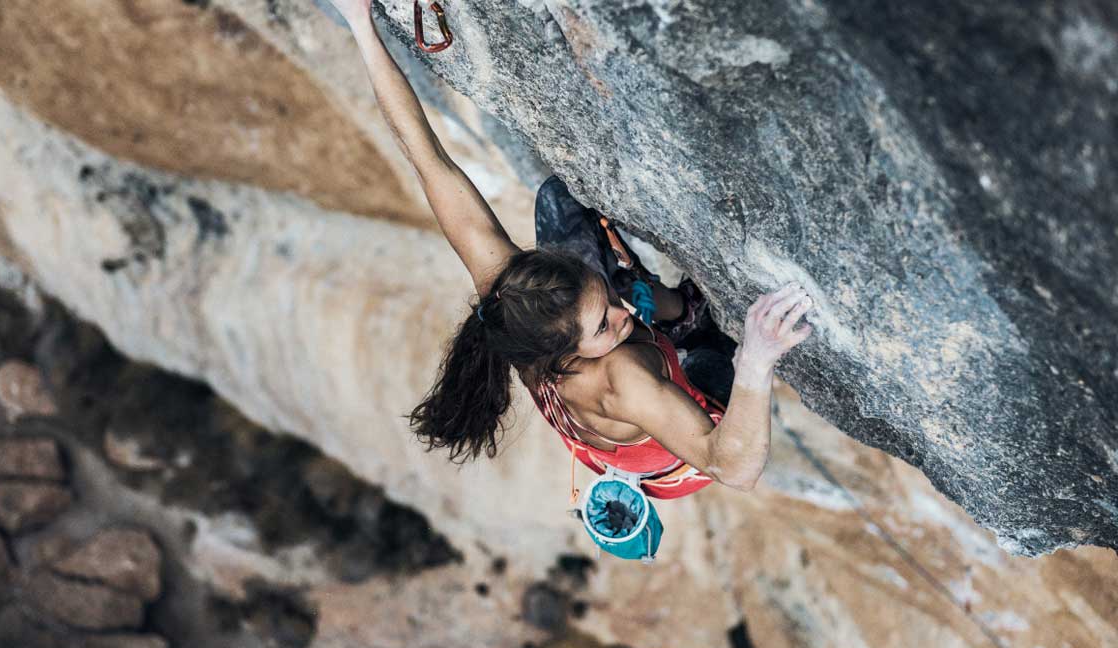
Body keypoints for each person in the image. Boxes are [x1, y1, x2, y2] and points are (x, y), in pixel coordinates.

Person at [331, 0, 814, 498]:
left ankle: (656, 300)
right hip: (681, 449)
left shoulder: (510, 304)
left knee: (558, 202)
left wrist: (361, 26)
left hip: (608, 422)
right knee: (718, 359)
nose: (621, 313)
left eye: (602, 295)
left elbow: (427, 159)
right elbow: (732, 469)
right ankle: (696, 324)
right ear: (562, 354)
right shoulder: (622, 378)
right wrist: (757, 359)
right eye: (604, 324)